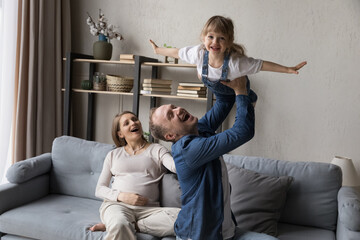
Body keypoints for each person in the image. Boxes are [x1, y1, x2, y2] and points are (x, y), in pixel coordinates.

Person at [149, 76, 278, 240]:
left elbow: (224, 101)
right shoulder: (187, 149)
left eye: (173, 107)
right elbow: (242, 132)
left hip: (225, 232)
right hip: (200, 235)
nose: (178, 110)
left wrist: (212, 76)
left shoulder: (199, 130)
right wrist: (241, 91)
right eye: (170, 115)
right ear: (171, 135)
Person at [149, 15, 307, 104]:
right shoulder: (197, 53)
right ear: (203, 38)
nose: (215, 43)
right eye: (211, 37)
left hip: (236, 89)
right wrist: (158, 50)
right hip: (221, 96)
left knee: (245, 97)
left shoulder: (235, 63)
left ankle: (251, 97)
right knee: (213, 116)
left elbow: (262, 65)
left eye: (221, 38)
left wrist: (287, 69)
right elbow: (177, 52)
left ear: (229, 42)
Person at [91, 111, 180, 240]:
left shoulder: (157, 149)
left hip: (149, 212)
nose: (133, 123)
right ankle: (119, 224)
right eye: (126, 123)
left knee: (186, 218)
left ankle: (124, 225)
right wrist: (122, 197)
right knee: (120, 223)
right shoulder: (113, 155)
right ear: (120, 134)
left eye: (134, 119)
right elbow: (99, 189)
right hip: (117, 206)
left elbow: (175, 166)